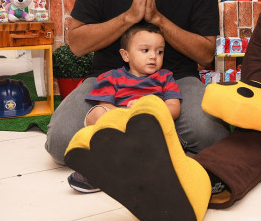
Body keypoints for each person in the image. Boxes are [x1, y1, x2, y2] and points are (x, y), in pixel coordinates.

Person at [45, 0, 229, 168]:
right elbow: (77, 44)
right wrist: (129, 17)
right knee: (61, 142)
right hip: (108, 79)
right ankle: (152, 141)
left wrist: (158, 20)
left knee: (211, 135)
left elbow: (205, 54)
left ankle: (132, 140)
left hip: (176, 81)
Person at [68, 22, 182, 193]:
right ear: (125, 55)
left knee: (164, 137)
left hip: (150, 129)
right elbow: (105, 105)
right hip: (119, 128)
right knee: (97, 113)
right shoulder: (111, 77)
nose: (153, 56)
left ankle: (132, 170)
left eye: (159, 52)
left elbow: (174, 107)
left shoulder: (165, 78)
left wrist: (147, 109)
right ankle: (102, 168)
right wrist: (127, 116)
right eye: (145, 50)